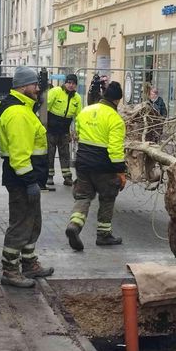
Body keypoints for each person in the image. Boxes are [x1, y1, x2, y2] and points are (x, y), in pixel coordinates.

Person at [0, 66, 53, 288]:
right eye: (34, 85)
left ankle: (29, 264)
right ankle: (10, 270)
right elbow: (19, 154)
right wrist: (30, 182)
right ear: (23, 87)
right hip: (22, 179)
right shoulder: (18, 113)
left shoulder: (22, 108)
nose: (38, 89)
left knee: (32, 222)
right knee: (20, 224)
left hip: (26, 178)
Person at [66, 80, 127, 250]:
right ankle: (103, 235)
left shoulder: (86, 111)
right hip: (104, 167)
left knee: (83, 196)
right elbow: (115, 150)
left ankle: (74, 225)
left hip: (83, 162)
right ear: (117, 100)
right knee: (107, 197)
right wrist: (121, 173)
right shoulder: (115, 119)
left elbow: (77, 132)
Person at [45, 73, 82, 188]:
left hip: (64, 130)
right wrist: (42, 126)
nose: (71, 85)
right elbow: (44, 107)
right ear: (65, 83)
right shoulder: (55, 91)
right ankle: (49, 176)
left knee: (65, 154)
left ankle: (67, 177)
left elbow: (79, 117)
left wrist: (77, 132)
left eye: (73, 83)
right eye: (69, 83)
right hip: (51, 128)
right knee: (49, 154)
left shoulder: (77, 98)